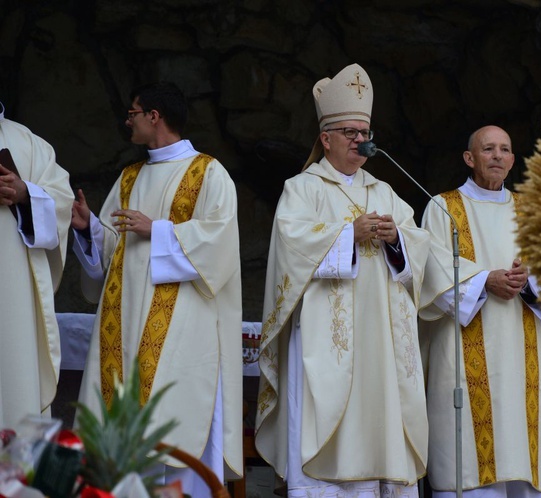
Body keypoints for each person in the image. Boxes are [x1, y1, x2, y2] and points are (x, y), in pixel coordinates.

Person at [254, 63, 432, 498]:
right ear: (325, 138)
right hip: (324, 340)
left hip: (382, 344)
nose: (359, 140)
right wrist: (347, 235)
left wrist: (397, 241)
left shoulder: (385, 192)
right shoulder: (302, 188)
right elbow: (291, 247)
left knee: (382, 419)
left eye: (363, 132)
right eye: (349, 132)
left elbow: (421, 249)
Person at [70, 82, 242, 497]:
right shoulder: (129, 178)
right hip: (124, 329)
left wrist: (158, 230)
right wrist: (89, 228)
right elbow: (113, 250)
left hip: (183, 333)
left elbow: (218, 245)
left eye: (133, 113)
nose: (127, 120)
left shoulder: (209, 173)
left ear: (155, 117)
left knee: (174, 435)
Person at [419, 125, 541, 497]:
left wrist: (530, 281)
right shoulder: (442, 208)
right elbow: (429, 273)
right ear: (470, 158)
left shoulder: (532, 210)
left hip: (521, 351)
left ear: (513, 160)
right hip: (463, 354)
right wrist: (485, 281)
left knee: (523, 459)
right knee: (469, 470)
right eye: (488, 149)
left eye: (504, 150)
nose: (497, 156)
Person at [0, 102, 74, 430]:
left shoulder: (30, 143)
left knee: (13, 371)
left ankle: (14, 478)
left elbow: (62, 203)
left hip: (10, 290)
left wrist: (24, 193)